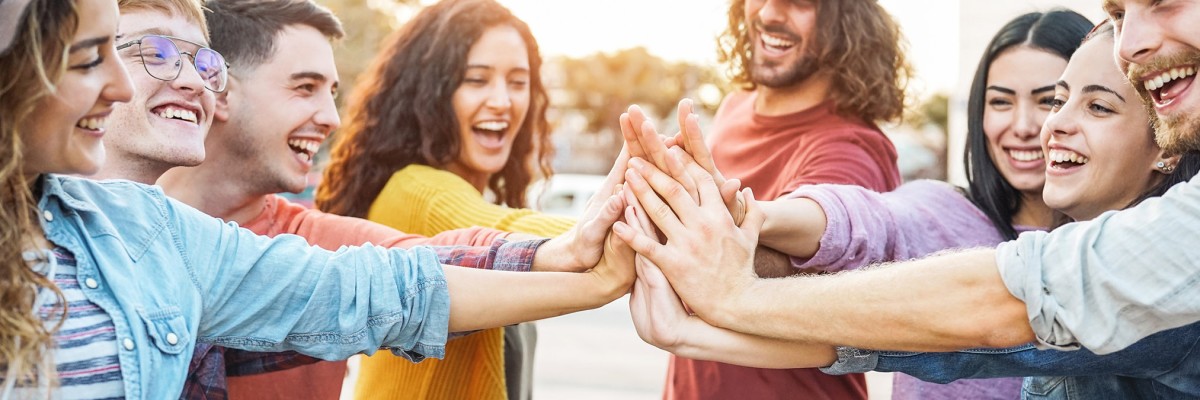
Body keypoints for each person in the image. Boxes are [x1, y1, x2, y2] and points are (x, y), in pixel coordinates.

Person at [0, 0, 634, 397]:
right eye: (93, 56)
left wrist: (584, 259)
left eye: (203, 64)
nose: (330, 117)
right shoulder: (416, 187)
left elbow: (380, 286)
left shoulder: (153, 233)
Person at [620, 19, 1200, 399]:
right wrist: (750, 228)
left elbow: (991, 312)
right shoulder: (948, 211)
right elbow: (872, 241)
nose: (1044, 125)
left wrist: (731, 297)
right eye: (1059, 99)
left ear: (1166, 143)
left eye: (1096, 106)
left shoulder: (1163, 270)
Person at [637, 0, 910, 397]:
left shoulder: (851, 148)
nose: (768, 13)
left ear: (847, 17)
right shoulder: (734, 106)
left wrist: (688, 225)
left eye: (798, 2)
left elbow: (800, 275)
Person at [315, 1, 575, 398]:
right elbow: (507, 232)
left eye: (518, 82)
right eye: (476, 79)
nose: (502, 100)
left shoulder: (459, 190)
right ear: (431, 91)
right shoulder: (416, 191)